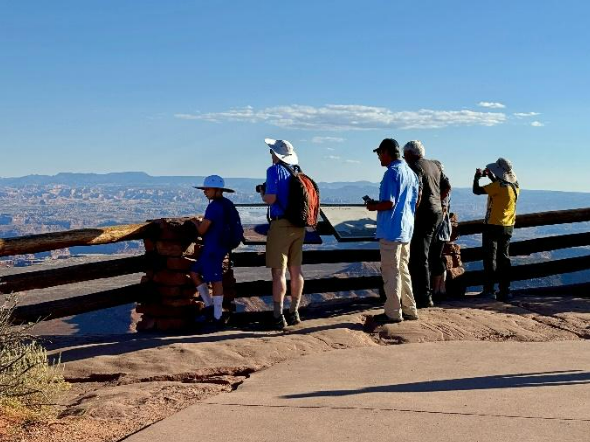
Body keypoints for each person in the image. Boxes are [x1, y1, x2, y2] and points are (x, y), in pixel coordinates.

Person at [366, 138, 420, 324]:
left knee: (391, 271)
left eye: (379, 153)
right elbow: (415, 201)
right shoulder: (411, 173)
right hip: (406, 229)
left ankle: (393, 312)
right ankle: (410, 309)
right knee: (403, 269)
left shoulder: (392, 173)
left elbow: (389, 203)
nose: (379, 157)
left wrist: (373, 206)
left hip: (391, 230)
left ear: (386, 152)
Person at [259, 138, 305, 330]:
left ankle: (278, 316)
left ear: (275, 154)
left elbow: (271, 199)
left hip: (281, 225)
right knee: (296, 270)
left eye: (271, 152)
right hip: (299, 225)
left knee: (278, 272)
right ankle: (294, 312)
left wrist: (262, 194)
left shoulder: (274, 171)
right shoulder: (298, 171)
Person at [403, 140, 451, 308]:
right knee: (428, 254)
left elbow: (418, 191)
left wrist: (414, 210)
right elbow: (447, 186)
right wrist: (437, 201)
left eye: (405, 154)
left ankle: (424, 296)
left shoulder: (415, 166)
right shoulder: (434, 165)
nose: (404, 157)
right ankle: (424, 293)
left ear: (409, 154)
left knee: (420, 255)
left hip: (423, 214)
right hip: (437, 213)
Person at [190, 175, 236, 328]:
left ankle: (217, 316)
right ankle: (210, 308)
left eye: (207, 189)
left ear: (217, 190)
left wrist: (196, 222)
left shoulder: (214, 206)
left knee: (215, 280)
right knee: (195, 273)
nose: (204, 192)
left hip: (213, 249)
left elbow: (203, 230)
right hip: (219, 247)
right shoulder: (227, 204)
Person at [472, 158, 520, 300]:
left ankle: (489, 290)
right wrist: (491, 176)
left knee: (490, 258)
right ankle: (505, 290)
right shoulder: (515, 186)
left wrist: (476, 177)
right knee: (504, 259)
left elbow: (477, 190)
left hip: (492, 225)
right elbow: (499, 186)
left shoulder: (498, 186)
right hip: (508, 226)